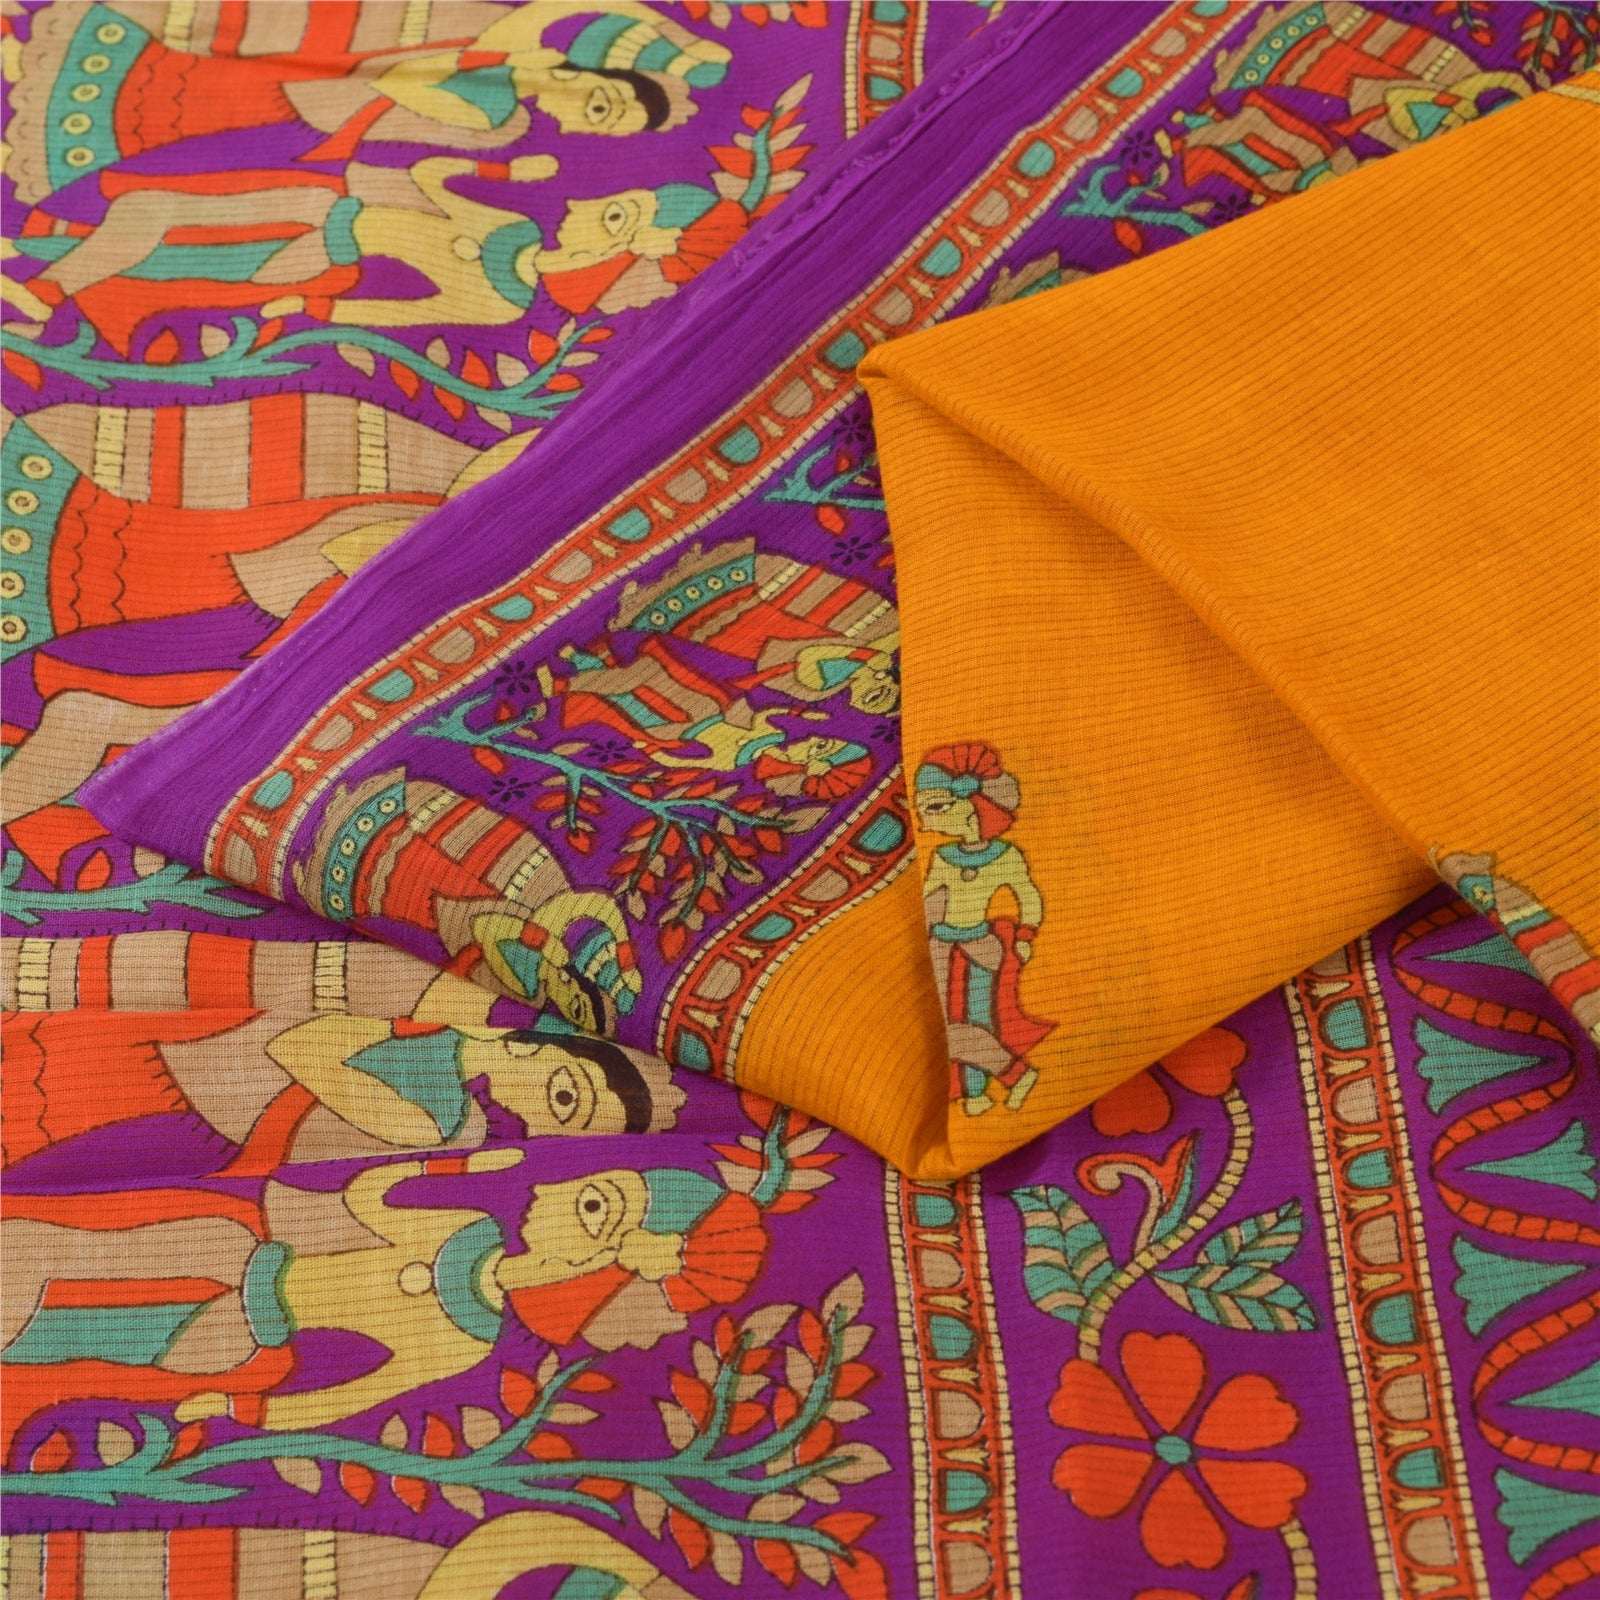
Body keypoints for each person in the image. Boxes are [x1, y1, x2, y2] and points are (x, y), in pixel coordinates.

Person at [914, 742, 1055, 1116]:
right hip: (941, 945)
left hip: (980, 944)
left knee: (978, 1016)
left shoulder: (1005, 856)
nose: (923, 818)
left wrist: (1025, 936)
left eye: (935, 807)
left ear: (972, 806)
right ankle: (977, 1092)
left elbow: (1028, 896)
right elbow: (930, 899)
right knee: (951, 1019)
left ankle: (1011, 1077)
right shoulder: (942, 856)